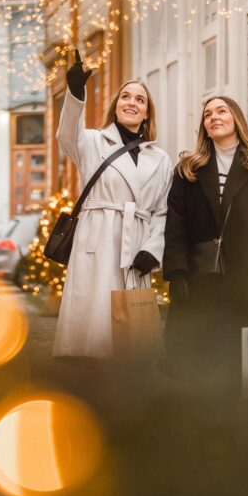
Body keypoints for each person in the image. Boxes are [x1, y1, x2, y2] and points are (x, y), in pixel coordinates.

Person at [53, 51, 173, 359]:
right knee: (94, 331)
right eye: (126, 97)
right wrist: (76, 93)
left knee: (130, 336)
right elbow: (67, 135)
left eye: (140, 100)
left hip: (135, 248)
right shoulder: (92, 142)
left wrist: (152, 249)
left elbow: (162, 210)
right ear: (116, 106)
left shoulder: (160, 159)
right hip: (97, 243)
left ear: (147, 113)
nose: (132, 103)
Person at [163, 96, 248, 392]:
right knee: (197, 366)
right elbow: (175, 225)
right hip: (199, 279)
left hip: (244, 280)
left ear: (236, 119)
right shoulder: (187, 170)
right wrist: (177, 274)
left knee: (237, 366)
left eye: (221, 111)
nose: (213, 117)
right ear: (204, 126)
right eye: (207, 114)